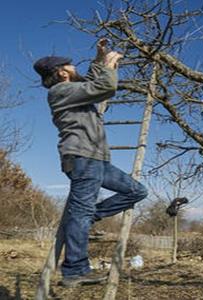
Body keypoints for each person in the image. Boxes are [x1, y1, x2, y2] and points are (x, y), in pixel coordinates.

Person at [33, 39, 148, 287]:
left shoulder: (72, 89)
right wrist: (108, 65)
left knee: (137, 191)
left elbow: (90, 82)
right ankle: (75, 270)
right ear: (62, 72)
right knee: (81, 213)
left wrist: (100, 57)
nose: (74, 66)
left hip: (96, 160)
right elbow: (105, 87)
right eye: (70, 65)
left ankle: (87, 216)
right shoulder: (60, 92)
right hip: (83, 158)